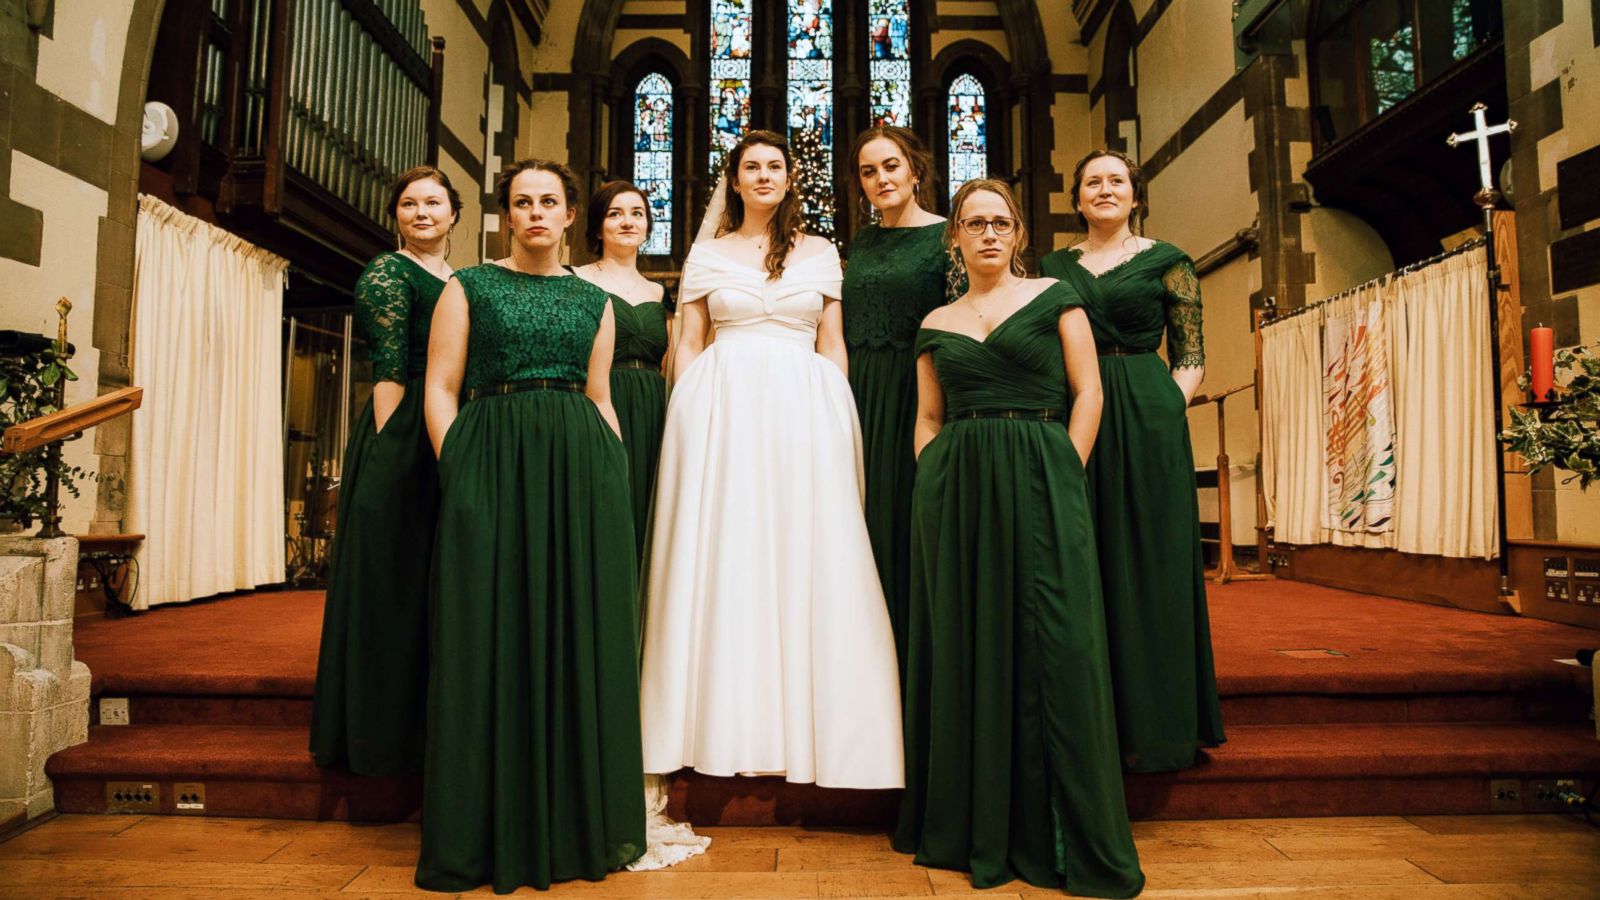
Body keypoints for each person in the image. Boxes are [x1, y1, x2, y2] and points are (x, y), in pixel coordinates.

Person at [894, 179, 1144, 898]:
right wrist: (931, 474)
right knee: (971, 640)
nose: (989, 235)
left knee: (1057, 642)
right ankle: (975, 822)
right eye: (975, 223)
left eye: (1001, 222)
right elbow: (928, 414)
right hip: (958, 489)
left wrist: (1067, 464)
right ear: (956, 239)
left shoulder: (1055, 300)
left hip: (1043, 469)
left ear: (1019, 233)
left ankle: (1060, 831)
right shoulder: (936, 320)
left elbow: (1088, 391)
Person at [639, 130, 903, 790]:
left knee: (804, 550)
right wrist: (690, 421)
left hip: (803, 408)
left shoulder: (819, 252)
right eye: (750, 166)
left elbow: (833, 343)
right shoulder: (707, 252)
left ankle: (815, 730)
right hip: (722, 409)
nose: (762, 175)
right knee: (730, 553)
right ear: (732, 179)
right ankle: (718, 722)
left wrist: (838, 415)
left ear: (790, 178)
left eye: (773, 166)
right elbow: (690, 342)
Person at [415, 159, 645, 893]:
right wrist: (463, 472)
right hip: (493, 460)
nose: (537, 213)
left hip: (582, 474)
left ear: (571, 214)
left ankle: (579, 822)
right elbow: (441, 389)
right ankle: (484, 831)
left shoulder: (595, 302)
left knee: (578, 634)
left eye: (550, 201)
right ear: (506, 215)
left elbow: (602, 396)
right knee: (487, 635)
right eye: (523, 202)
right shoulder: (469, 286)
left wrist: (613, 474)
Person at [1039, 149, 1224, 773]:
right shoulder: (1051, 267)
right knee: (1083, 550)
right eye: (1092, 182)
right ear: (1078, 198)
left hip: (1147, 409)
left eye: (1116, 180)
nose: (1104, 189)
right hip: (1076, 410)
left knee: (1153, 555)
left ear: (1135, 194)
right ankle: (1092, 720)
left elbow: (1192, 352)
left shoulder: (1169, 261)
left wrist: (1164, 407)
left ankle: (1161, 723)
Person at [310, 166, 457, 777]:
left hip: (452, 422)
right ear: (395, 215)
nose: (420, 213)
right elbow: (390, 372)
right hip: (403, 433)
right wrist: (396, 457)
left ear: (455, 212)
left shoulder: (459, 278)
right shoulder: (388, 273)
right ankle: (381, 737)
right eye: (408, 204)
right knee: (394, 584)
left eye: (432, 202)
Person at [840, 126, 955, 683]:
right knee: (861, 522)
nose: (881, 179)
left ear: (915, 170)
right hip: (861, 391)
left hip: (921, 392)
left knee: (912, 520)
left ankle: (919, 668)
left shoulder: (947, 238)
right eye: (868, 171)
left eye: (890, 166)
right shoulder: (860, 244)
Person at [572, 181, 675, 555]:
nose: (627, 221)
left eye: (637, 213)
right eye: (615, 213)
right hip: (596, 401)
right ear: (598, 226)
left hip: (651, 410)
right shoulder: (576, 279)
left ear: (648, 225)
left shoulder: (659, 293)